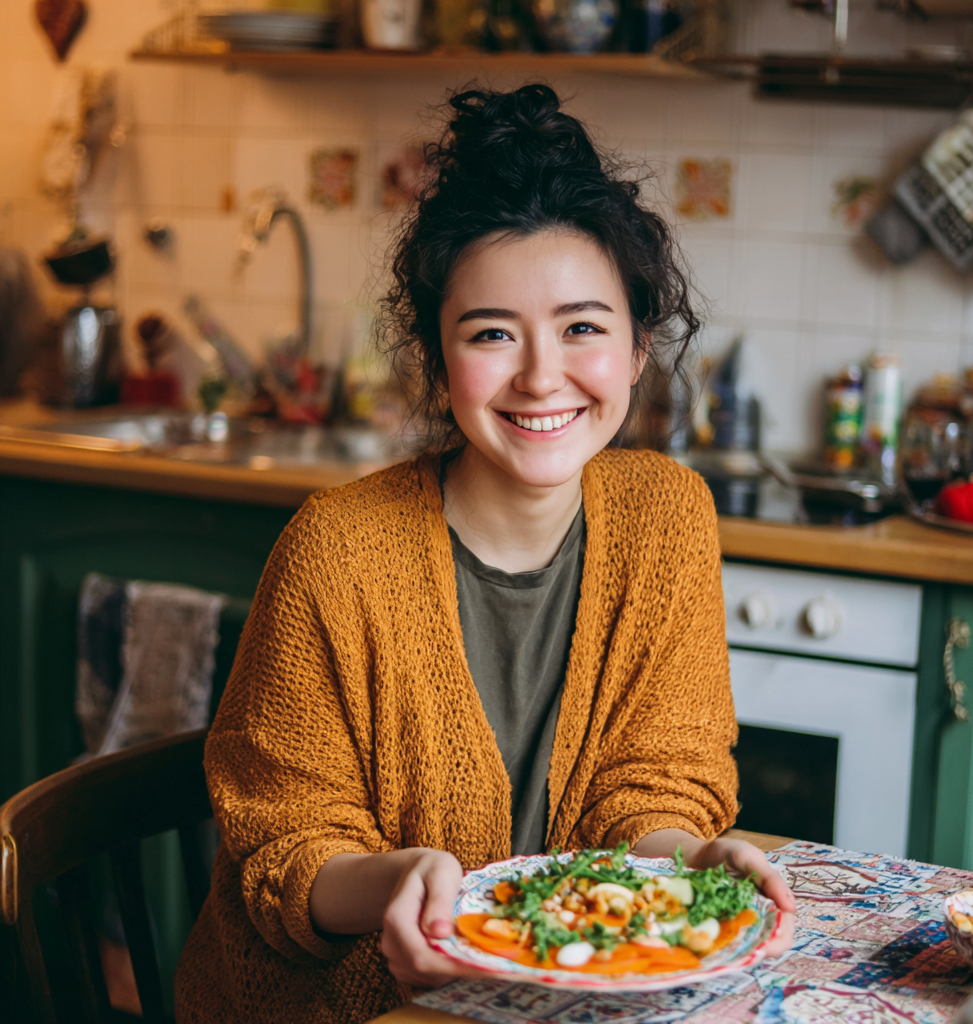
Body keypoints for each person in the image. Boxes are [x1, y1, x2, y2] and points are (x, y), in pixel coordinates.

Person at [175, 83, 796, 1024]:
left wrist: (695, 855)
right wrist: (400, 879)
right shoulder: (336, 550)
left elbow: (652, 783)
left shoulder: (668, 517)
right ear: (436, 358)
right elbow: (283, 850)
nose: (541, 375)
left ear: (635, 350)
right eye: (493, 334)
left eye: (583, 327)